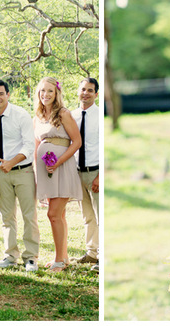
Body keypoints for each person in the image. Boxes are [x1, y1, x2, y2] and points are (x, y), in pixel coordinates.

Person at [0, 80, 39, 272]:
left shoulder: (21, 115)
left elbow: (29, 146)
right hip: (1, 173)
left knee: (29, 215)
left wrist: (11, 162)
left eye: (1, 93)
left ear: (8, 94)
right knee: (6, 217)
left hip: (22, 171)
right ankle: (10, 255)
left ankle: (31, 257)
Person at [33, 77, 83, 272]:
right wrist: (39, 174)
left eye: (50, 91)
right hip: (46, 171)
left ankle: (60, 260)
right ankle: (63, 257)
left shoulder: (63, 114)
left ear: (56, 94)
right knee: (59, 214)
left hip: (62, 168)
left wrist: (58, 162)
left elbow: (76, 142)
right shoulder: (37, 116)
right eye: (42, 91)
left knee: (53, 214)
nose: (45, 95)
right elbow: (36, 146)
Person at [71, 78, 100, 273]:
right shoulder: (71, 116)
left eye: (90, 90)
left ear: (96, 94)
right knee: (87, 216)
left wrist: (101, 176)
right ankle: (91, 252)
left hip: (95, 172)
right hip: (77, 172)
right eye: (83, 89)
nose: (86, 93)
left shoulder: (99, 116)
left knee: (100, 217)